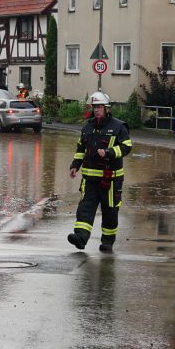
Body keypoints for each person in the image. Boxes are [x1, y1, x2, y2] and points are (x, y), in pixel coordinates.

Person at [67, 91, 133, 253]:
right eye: (95, 107)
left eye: (100, 107)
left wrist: (109, 152)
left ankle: (107, 241)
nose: (96, 110)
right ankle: (81, 238)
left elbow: (127, 147)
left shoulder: (118, 126)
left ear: (107, 108)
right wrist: (75, 165)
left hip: (110, 180)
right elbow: (81, 148)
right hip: (89, 179)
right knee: (85, 208)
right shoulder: (87, 126)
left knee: (110, 211)